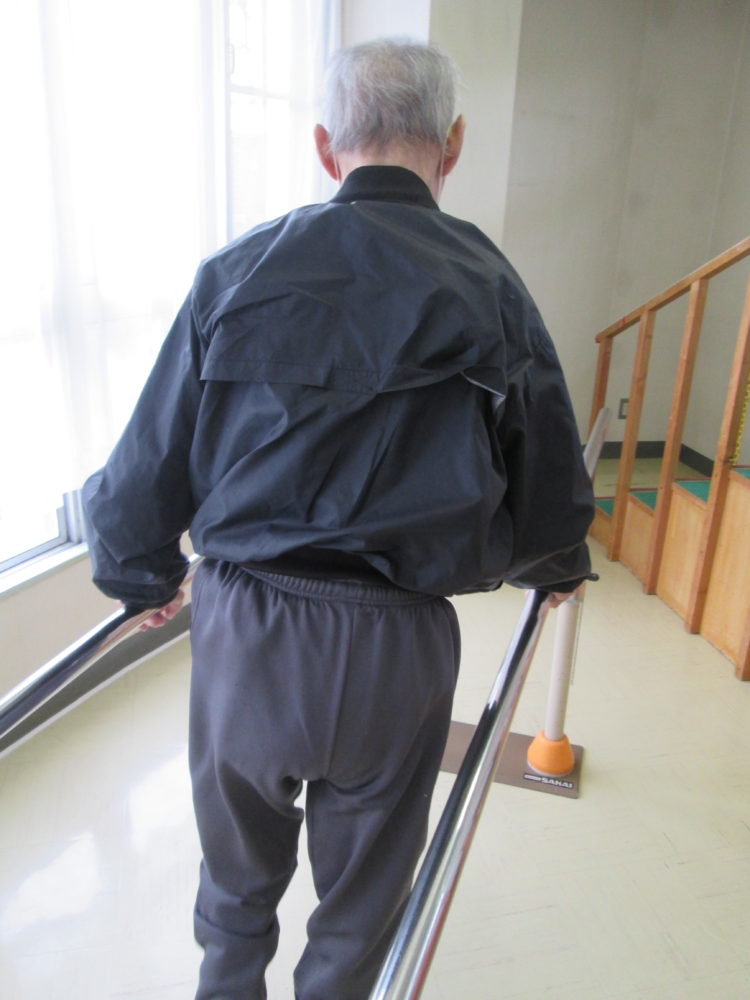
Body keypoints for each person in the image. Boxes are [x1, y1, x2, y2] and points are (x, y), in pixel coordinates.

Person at [82, 37, 594, 1000]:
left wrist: (140, 575)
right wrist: (555, 567)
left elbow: (142, 469)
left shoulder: (239, 270)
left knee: (235, 890)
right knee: (361, 910)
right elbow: (549, 479)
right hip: (398, 645)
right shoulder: (489, 283)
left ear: (326, 146)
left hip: (247, 633)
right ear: (453, 144)